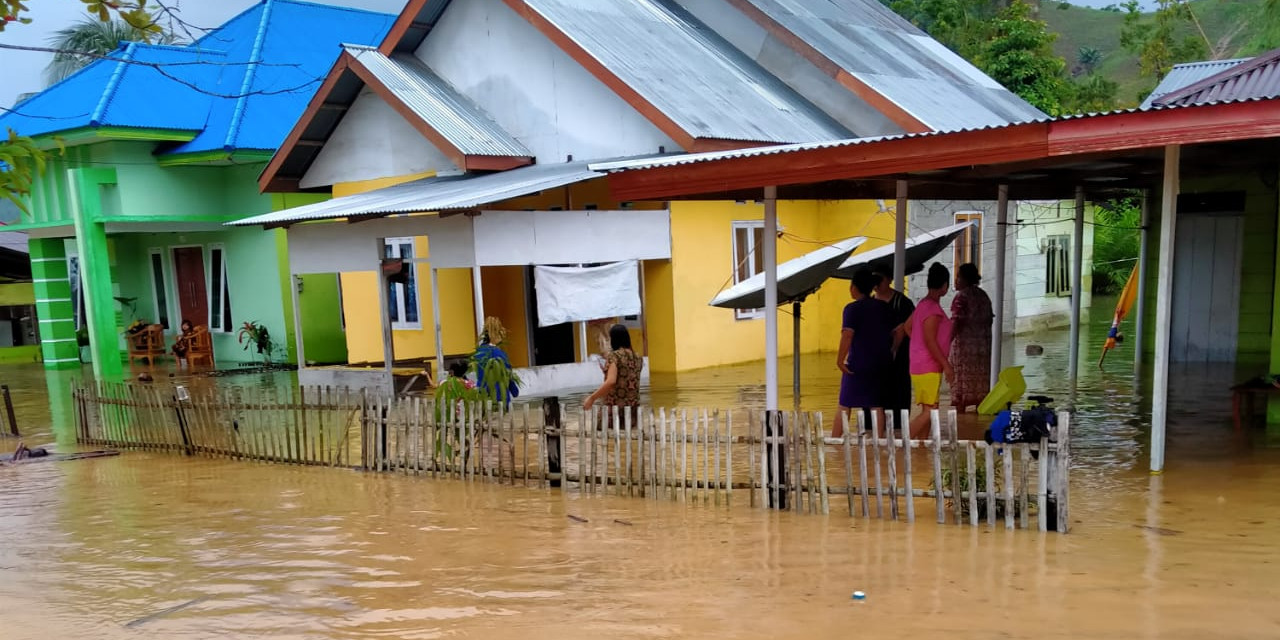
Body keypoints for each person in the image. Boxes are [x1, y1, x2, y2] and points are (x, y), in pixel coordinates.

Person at [834, 269, 894, 438]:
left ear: (854, 287)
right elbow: (895, 331)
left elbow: (847, 335)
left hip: (857, 363)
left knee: (845, 404)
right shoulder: (883, 307)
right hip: (879, 363)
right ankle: (879, 442)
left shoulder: (852, 309)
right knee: (876, 405)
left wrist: (839, 360)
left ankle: (834, 443)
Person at [905, 263, 953, 439]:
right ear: (945, 286)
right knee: (930, 411)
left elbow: (907, 327)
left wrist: (918, 347)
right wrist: (947, 366)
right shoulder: (932, 309)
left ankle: (922, 447)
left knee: (928, 408)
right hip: (929, 367)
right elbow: (930, 341)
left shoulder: (922, 305)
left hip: (919, 365)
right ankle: (900, 444)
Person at [950, 263, 995, 412]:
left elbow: (956, 322)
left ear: (965, 279)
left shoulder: (961, 297)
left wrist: (946, 342)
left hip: (965, 351)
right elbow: (990, 320)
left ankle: (961, 424)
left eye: (958, 277)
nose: (955, 281)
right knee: (981, 388)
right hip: (983, 349)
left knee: (961, 390)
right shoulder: (984, 296)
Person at [873, 271, 915, 426]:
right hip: (878, 360)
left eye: (880, 279)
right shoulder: (871, 303)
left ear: (889, 279)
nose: (877, 284)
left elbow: (904, 329)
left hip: (899, 359)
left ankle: (899, 426)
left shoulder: (902, 302)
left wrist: (893, 351)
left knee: (899, 393)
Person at [583, 324, 643, 426]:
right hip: (632, 412)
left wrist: (592, 398)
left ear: (614, 339)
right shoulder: (638, 357)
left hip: (614, 411)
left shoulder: (614, 356)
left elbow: (611, 381)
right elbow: (627, 377)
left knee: (607, 440)